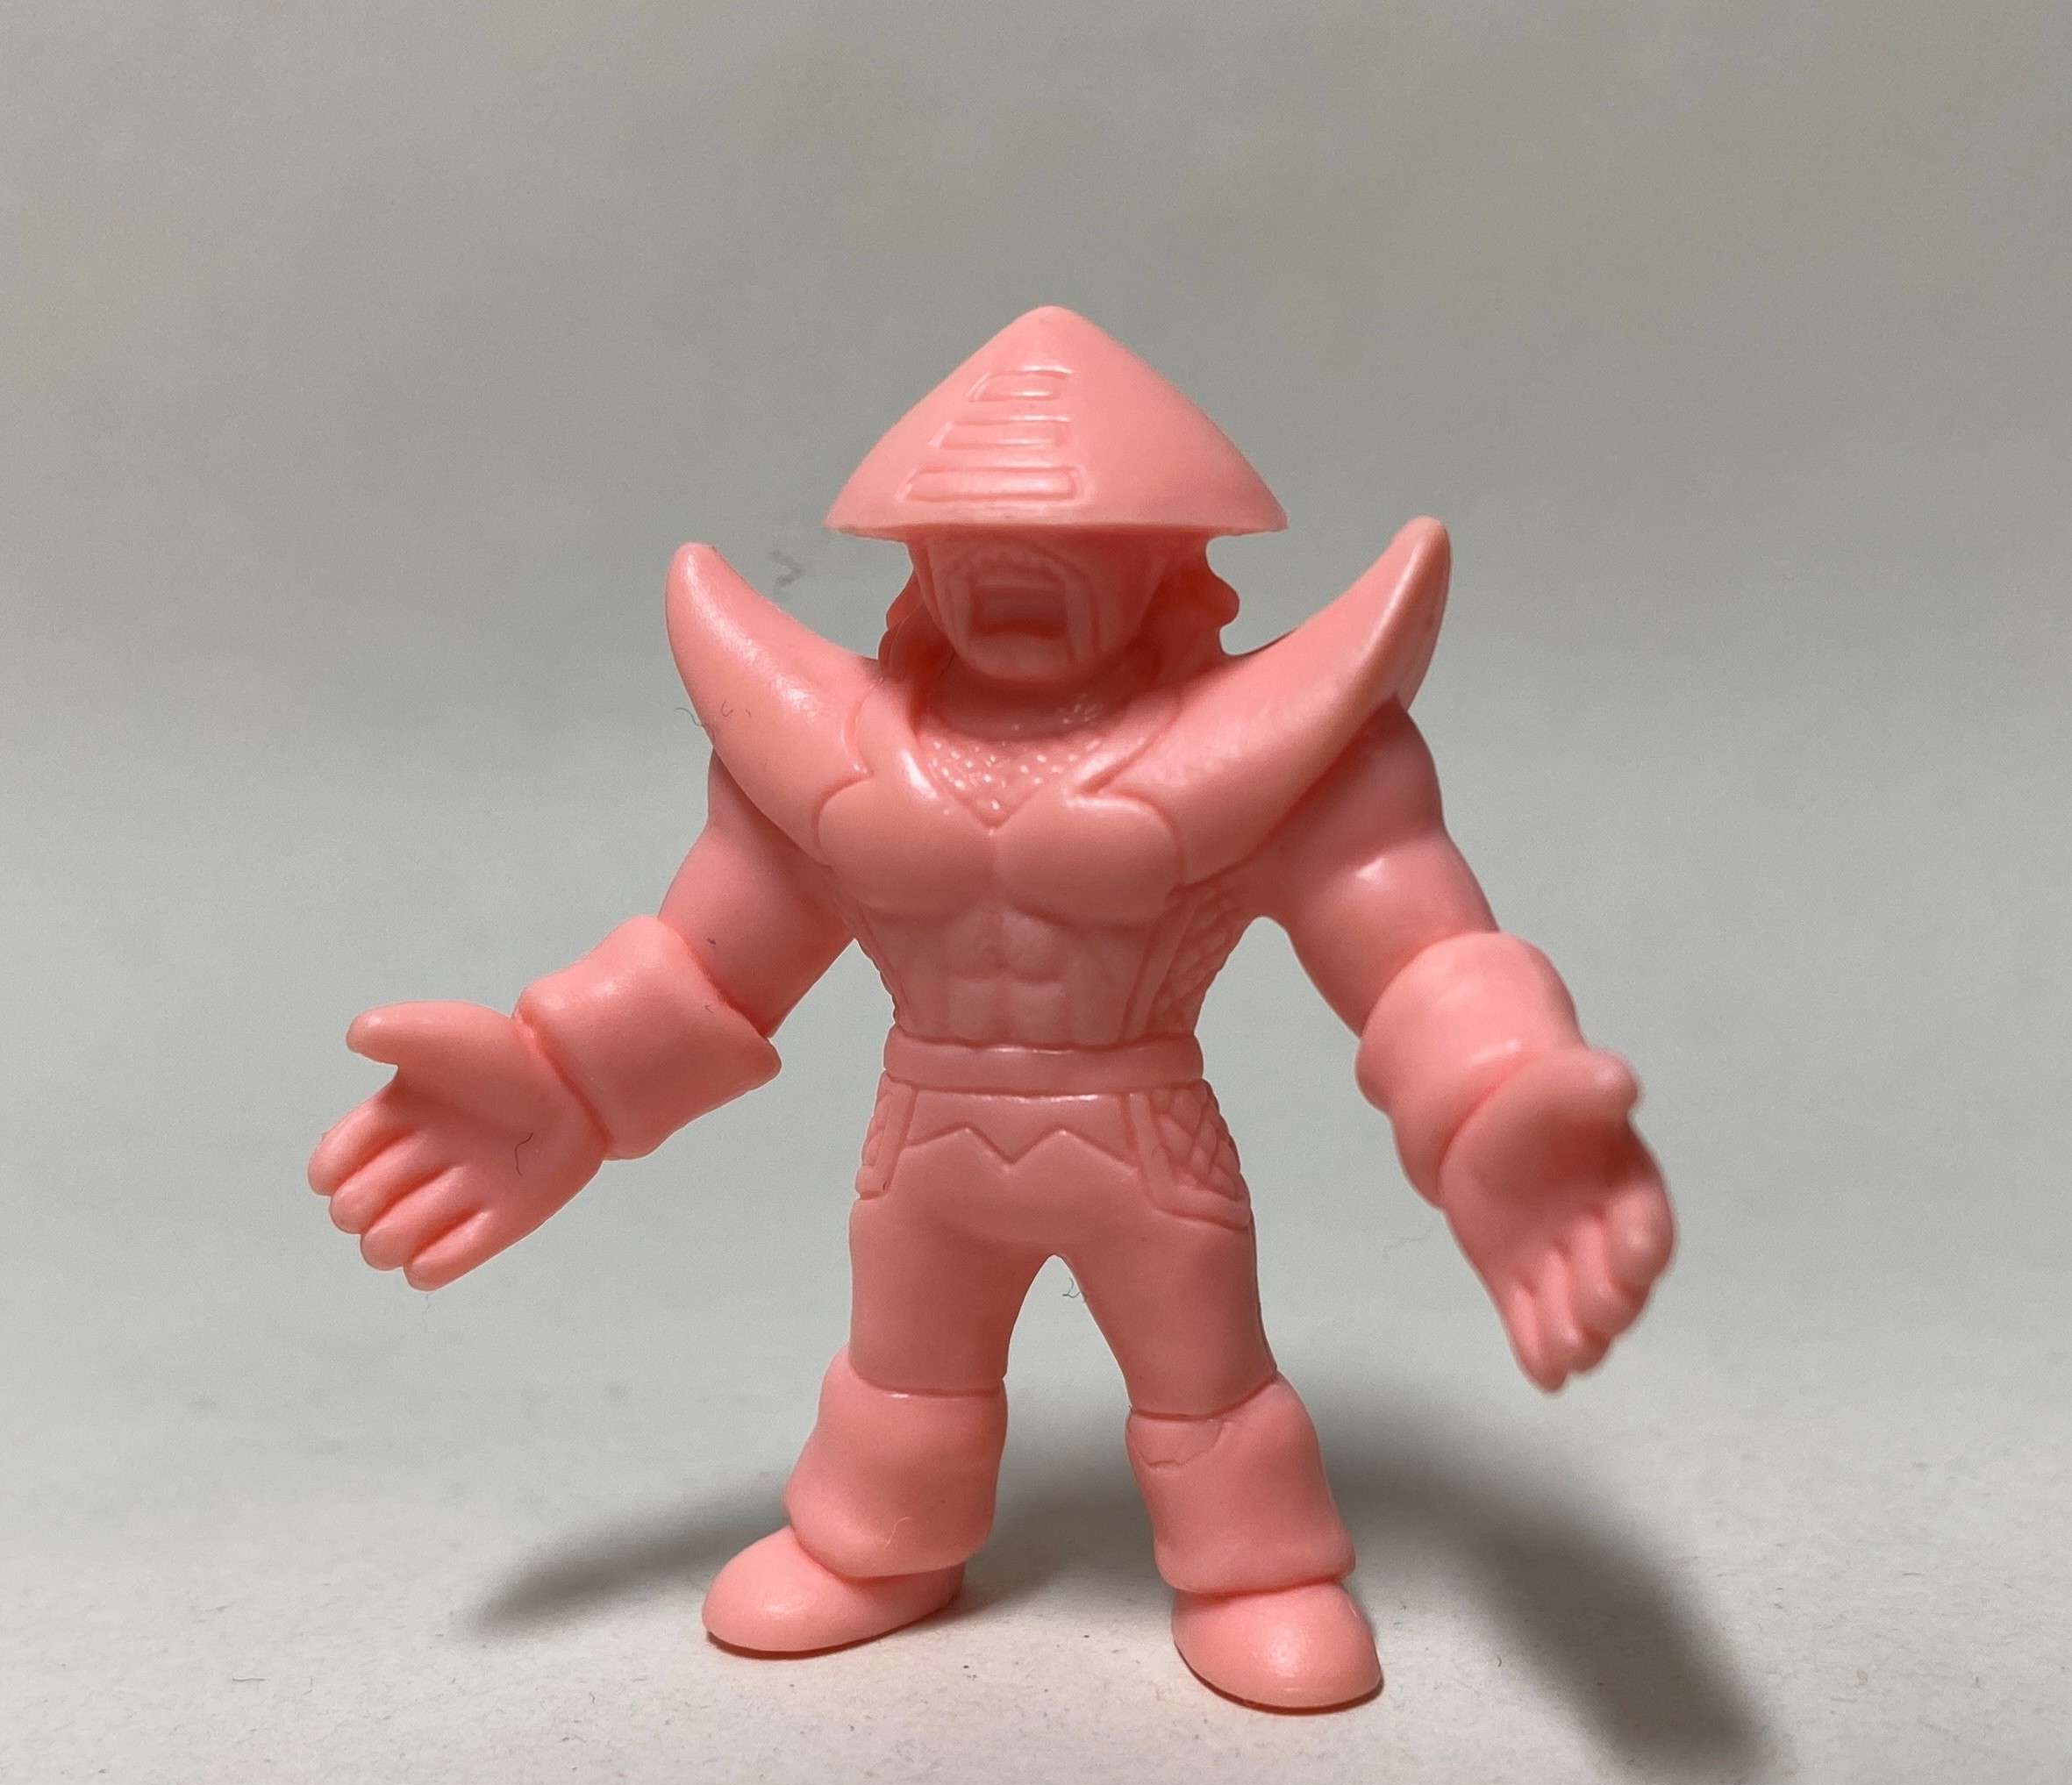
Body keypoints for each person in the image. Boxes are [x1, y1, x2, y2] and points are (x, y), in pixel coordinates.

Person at [310, 307, 1674, 1711]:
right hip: (928, 1133)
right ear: (915, 559)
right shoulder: (834, 763)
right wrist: (559, 1082)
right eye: (968, 548)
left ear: (1166, 563)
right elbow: (708, 960)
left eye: (1071, 549)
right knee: (903, 1362)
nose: (1011, 575)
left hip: (1141, 1135)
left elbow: (1416, 952)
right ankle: (875, 1542)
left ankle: (1253, 1567)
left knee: (1202, 1371)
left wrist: (1496, 1102)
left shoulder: (1276, 760)